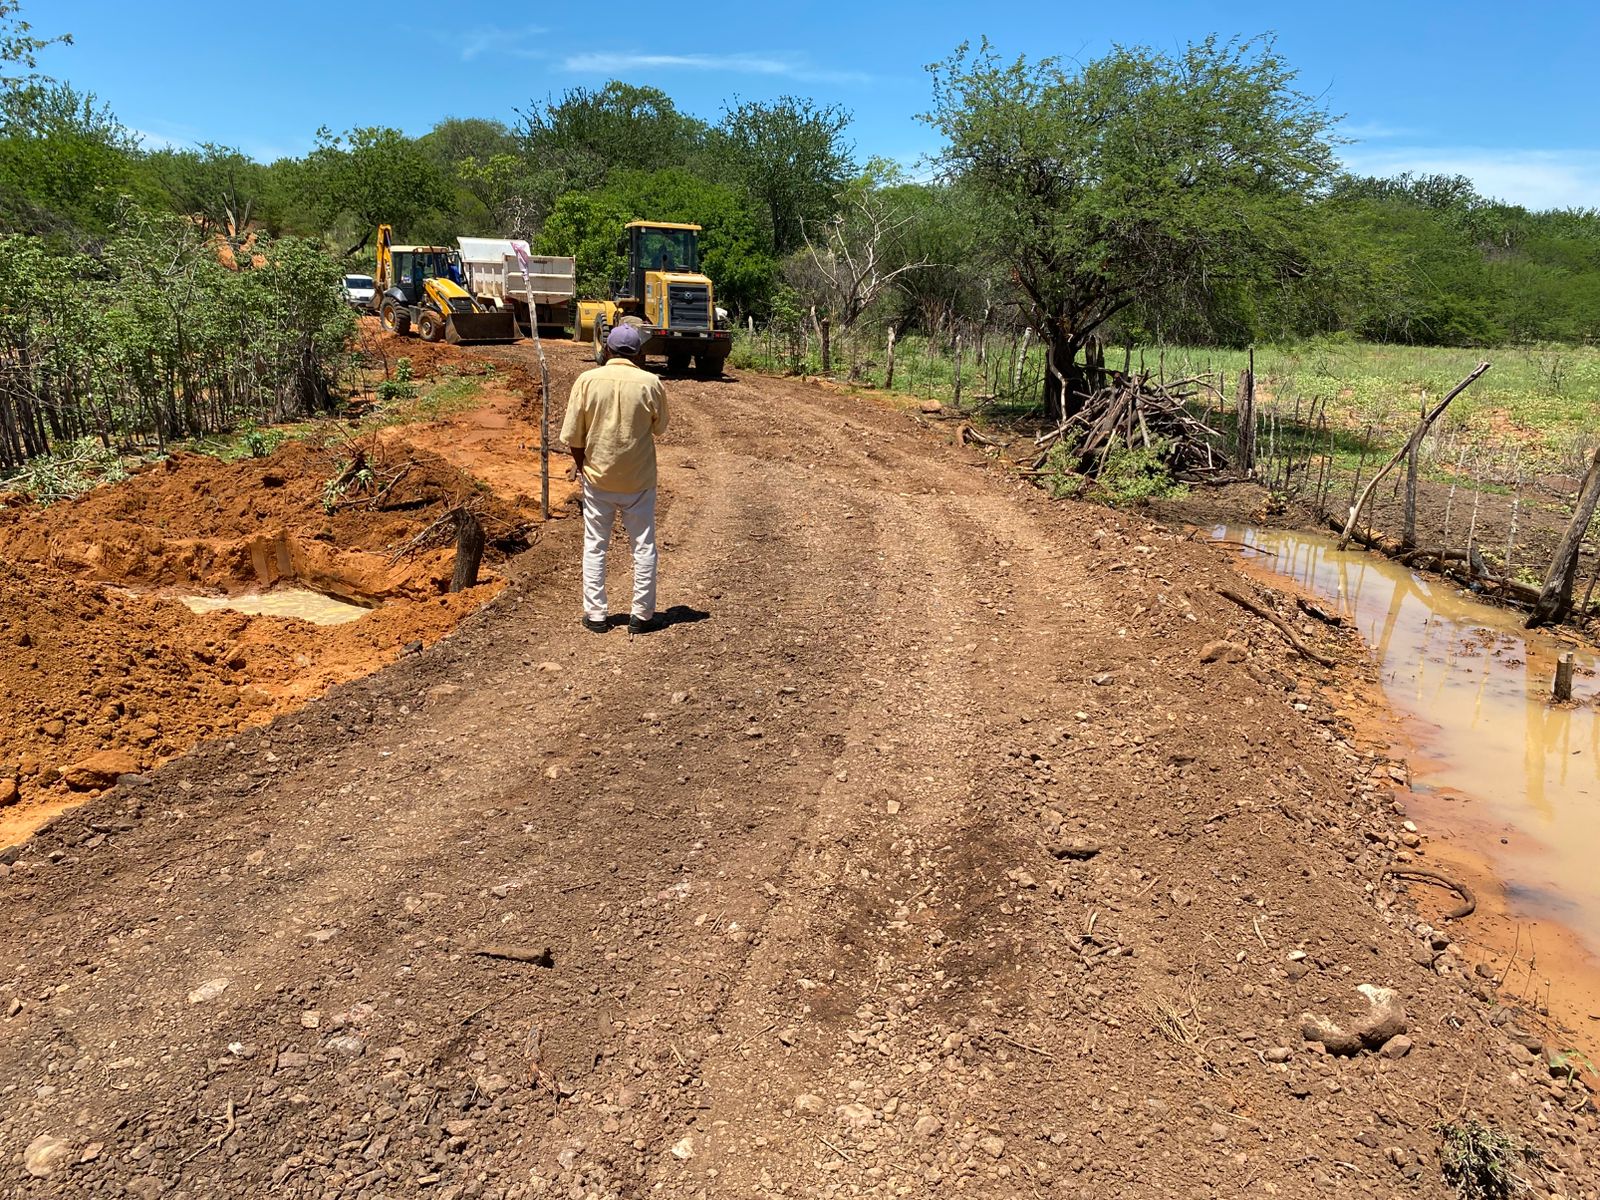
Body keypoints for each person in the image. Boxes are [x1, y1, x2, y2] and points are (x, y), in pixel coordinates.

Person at [559, 323, 670, 635]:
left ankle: (595, 615)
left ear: (607, 349)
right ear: (638, 353)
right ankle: (642, 616)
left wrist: (582, 467)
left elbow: (573, 436)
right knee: (643, 545)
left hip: (598, 478)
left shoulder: (587, 381)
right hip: (639, 479)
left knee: (595, 545)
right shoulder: (651, 383)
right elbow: (660, 427)